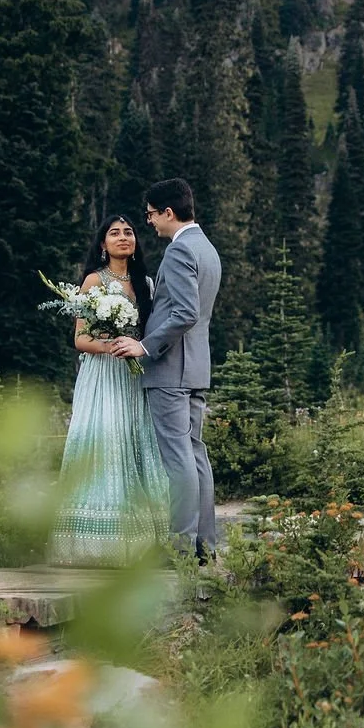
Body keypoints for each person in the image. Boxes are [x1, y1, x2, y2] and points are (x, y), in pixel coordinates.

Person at [111, 178, 221, 560]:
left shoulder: (178, 252)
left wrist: (143, 346)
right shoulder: (207, 249)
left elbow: (185, 313)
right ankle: (206, 544)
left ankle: (180, 548)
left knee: (178, 459)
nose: (150, 223)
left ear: (168, 212)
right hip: (195, 369)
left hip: (171, 369)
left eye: (151, 215)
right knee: (195, 455)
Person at [52, 214, 170, 565]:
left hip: (135, 375)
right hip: (103, 375)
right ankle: (99, 546)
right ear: (103, 244)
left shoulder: (145, 283)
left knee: (138, 443)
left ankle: (148, 541)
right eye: (115, 233)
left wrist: (135, 346)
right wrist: (109, 346)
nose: (123, 237)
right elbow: (79, 338)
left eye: (129, 232)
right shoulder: (94, 281)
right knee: (107, 441)